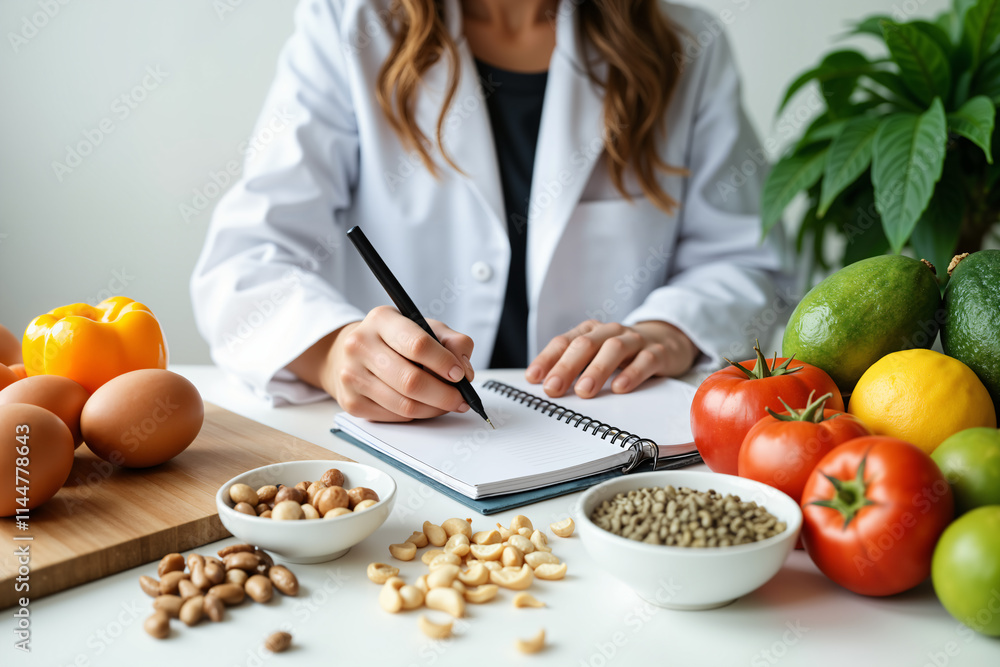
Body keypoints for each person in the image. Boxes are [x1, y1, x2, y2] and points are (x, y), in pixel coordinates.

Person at [191, 0, 787, 421]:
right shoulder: (349, 24)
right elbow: (247, 262)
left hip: (611, 429)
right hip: (416, 444)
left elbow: (747, 262)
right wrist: (331, 351)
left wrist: (669, 332)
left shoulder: (687, 46)